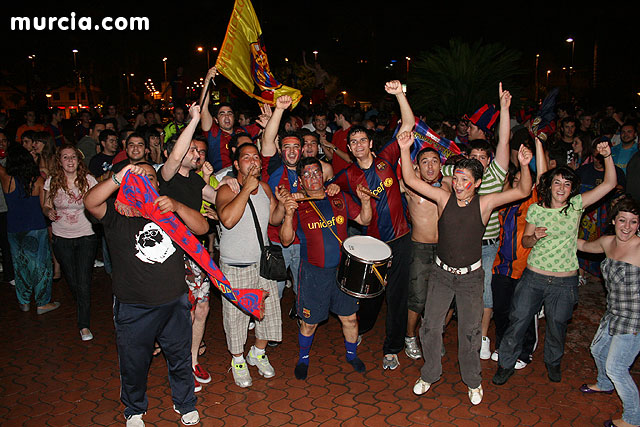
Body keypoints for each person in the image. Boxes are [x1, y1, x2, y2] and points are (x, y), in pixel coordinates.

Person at [399, 128, 533, 405]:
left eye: (465, 181)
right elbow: (410, 178)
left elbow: (523, 190)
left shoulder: (485, 204)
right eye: (457, 179)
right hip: (440, 275)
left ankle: (473, 381)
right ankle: (429, 373)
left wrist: (524, 164)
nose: (459, 185)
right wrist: (404, 148)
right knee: (431, 327)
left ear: (478, 183)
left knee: (470, 332)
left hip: (471, 278)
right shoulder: (443, 198)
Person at [84, 162, 204, 427]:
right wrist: (121, 176)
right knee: (134, 362)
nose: (145, 182)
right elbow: (90, 201)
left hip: (174, 302)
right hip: (133, 306)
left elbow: (202, 228)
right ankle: (134, 408)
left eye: (150, 177)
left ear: (158, 184)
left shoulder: (168, 211)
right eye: (137, 178)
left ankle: (184, 403)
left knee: (179, 357)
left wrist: (177, 206)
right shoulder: (117, 214)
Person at [493, 140, 617, 386]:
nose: (561, 187)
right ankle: (506, 364)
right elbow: (526, 243)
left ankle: (553, 361)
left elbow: (610, 184)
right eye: (557, 182)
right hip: (534, 277)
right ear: (549, 185)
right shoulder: (537, 209)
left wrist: (607, 156)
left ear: (572, 188)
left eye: (567, 183)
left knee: (558, 326)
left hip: (564, 281)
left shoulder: (576, 206)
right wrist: (534, 236)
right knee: (517, 321)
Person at [332, 80, 414, 370]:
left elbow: (408, 126)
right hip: (374, 245)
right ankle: (363, 331)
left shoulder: (386, 159)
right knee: (370, 295)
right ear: (350, 147)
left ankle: (392, 347)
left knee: (397, 296)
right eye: (352, 142)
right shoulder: (348, 175)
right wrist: (330, 192)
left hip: (402, 239)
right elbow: (330, 188)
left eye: (361, 140)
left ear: (370, 143)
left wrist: (400, 96)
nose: (357, 145)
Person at [280, 157, 372, 380]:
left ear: (323, 175)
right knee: (309, 323)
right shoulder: (298, 204)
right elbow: (285, 241)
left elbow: (364, 219)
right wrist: (289, 213)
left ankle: (351, 355)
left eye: (316, 173)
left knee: (349, 318)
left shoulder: (338, 196)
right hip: (313, 273)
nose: (313, 178)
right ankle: (303, 358)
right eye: (308, 174)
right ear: (301, 181)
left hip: (343, 271)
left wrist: (365, 201)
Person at [215, 142, 286, 388]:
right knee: (236, 317)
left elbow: (273, 220)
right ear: (236, 164)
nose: (253, 160)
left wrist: (282, 204)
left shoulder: (265, 188)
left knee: (268, 314)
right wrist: (245, 189)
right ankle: (237, 360)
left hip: (262, 264)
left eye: (256, 157)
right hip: (236, 264)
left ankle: (257, 353)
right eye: (246, 157)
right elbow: (228, 220)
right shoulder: (227, 188)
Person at [576, 196, 640, 427]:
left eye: (633, 222)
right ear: (613, 220)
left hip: (634, 320)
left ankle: (633, 419)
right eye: (622, 220)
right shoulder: (607, 242)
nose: (627, 227)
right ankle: (604, 383)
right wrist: (558, 232)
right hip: (613, 313)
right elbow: (582, 245)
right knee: (597, 349)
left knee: (617, 367)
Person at [41, 145, 98, 341]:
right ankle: (84, 302)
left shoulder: (89, 180)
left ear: (78, 160)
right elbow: (46, 204)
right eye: (66, 157)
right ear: (60, 161)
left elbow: (98, 201)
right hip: (61, 236)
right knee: (73, 280)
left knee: (83, 280)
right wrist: (48, 212)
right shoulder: (52, 181)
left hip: (86, 235)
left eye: (73, 157)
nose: (70, 161)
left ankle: (84, 325)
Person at [0, 144, 59, 314]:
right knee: (41, 266)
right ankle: (42, 303)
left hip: (14, 228)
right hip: (35, 227)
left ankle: (24, 301)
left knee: (20, 265)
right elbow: (44, 207)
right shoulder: (38, 181)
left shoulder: (6, 178)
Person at [403, 147, 446, 360]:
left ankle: (433, 335)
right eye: (425, 162)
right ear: (417, 166)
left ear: (441, 164)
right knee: (418, 299)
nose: (430, 166)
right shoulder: (410, 186)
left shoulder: (449, 186)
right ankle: (409, 336)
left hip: (446, 250)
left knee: (445, 299)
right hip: (420, 248)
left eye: (435, 161)